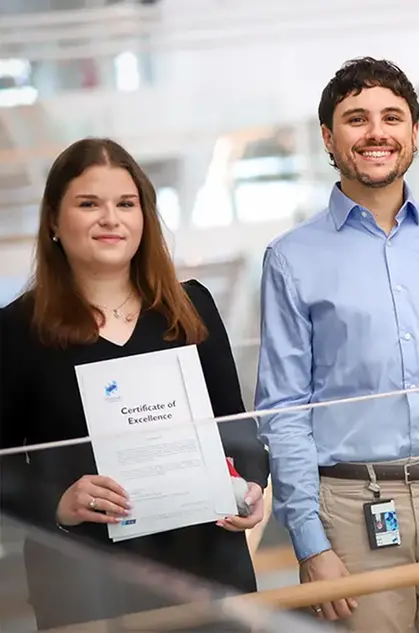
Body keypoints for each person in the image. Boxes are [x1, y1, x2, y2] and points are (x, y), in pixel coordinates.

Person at [255, 57, 419, 633]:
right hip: (353, 513)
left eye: (392, 117)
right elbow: (283, 411)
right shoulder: (290, 258)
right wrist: (309, 542)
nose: (376, 132)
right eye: (357, 119)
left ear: (414, 133)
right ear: (329, 137)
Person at [0, 138, 270, 630]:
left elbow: (239, 431)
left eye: (126, 204)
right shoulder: (16, 331)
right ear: (55, 223)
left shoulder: (191, 308)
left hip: (205, 570)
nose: (111, 219)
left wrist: (251, 485)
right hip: (87, 583)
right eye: (89, 204)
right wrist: (58, 503)